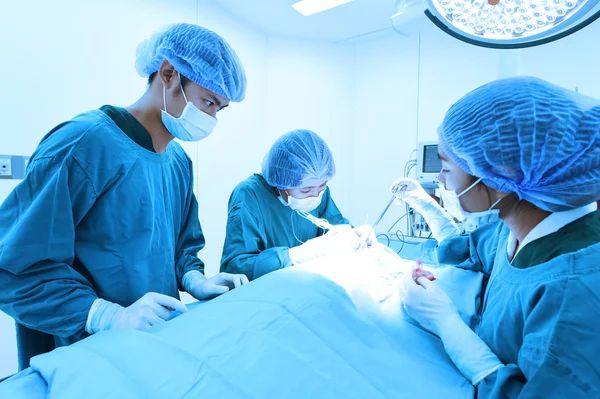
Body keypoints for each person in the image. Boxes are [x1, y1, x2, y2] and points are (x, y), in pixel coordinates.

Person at [0, 23, 249, 370]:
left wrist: (194, 279)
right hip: (81, 358)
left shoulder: (177, 163)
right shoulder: (84, 144)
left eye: (219, 109)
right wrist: (105, 315)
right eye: (208, 102)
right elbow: (13, 267)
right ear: (168, 74)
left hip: (149, 349)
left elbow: (179, 247)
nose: (211, 118)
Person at [391, 77, 600, 397]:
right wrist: (428, 209)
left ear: (501, 175)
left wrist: (446, 324)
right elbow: (470, 250)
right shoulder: (519, 224)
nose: (443, 183)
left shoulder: (577, 290)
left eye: (447, 168)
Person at [220, 129, 373, 280]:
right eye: (306, 190)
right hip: (265, 294)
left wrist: (353, 235)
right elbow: (236, 269)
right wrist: (295, 256)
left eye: (322, 186)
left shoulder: (318, 191)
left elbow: (335, 226)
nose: (315, 195)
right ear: (282, 182)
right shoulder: (249, 195)